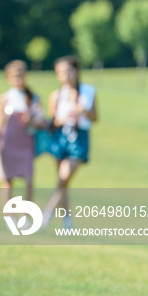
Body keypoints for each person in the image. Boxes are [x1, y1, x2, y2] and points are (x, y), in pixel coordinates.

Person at [42, 55, 98, 229]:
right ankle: (67, 222)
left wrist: (83, 110)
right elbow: (52, 121)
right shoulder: (57, 95)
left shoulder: (88, 91)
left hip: (79, 136)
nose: (65, 75)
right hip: (61, 137)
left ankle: (47, 214)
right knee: (63, 182)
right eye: (61, 72)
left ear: (76, 71)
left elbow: (95, 117)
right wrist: (62, 118)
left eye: (68, 71)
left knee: (63, 178)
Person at [0, 60, 46, 207]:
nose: (18, 79)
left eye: (21, 75)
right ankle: (9, 214)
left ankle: (26, 214)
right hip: (8, 142)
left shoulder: (34, 98)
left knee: (28, 180)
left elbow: (42, 122)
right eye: (14, 76)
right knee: (7, 179)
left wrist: (32, 121)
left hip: (26, 142)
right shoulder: (4, 98)